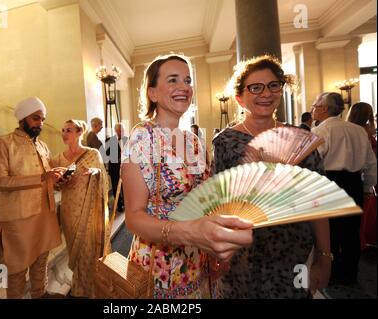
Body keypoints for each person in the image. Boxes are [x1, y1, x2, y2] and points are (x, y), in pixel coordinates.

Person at [121, 53, 253, 299]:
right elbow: (134, 218)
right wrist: (187, 232)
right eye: (173, 80)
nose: (183, 87)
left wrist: (214, 248)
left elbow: (205, 199)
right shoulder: (142, 138)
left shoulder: (193, 141)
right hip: (158, 265)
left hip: (197, 257)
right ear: (152, 93)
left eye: (188, 80)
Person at [212, 55, 331, 298]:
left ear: (280, 90)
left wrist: (324, 256)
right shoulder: (225, 142)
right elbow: (219, 204)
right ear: (240, 97)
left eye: (273, 85)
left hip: (292, 252)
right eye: (255, 87)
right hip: (244, 256)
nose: (265, 93)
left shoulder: (300, 137)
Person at [0, 97, 64, 299]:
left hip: (45, 213)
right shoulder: (3, 144)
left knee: (41, 258)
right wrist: (41, 177)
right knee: (17, 267)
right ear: (22, 118)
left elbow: (46, 178)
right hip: (18, 217)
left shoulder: (42, 146)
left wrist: (58, 179)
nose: (40, 124)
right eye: (36, 118)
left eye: (43, 119)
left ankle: (40, 294)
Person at [312, 94, 377, 284]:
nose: (313, 108)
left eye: (315, 105)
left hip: (329, 182)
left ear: (324, 109)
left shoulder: (321, 131)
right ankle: (349, 274)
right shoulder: (358, 131)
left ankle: (331, 274)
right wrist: (366, 187)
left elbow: (314, 163)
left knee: (329, 231)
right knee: (351, 232)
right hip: (354, 183)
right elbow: (371, 163)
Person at [51, 119, 110, 298]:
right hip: (69, 210)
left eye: (68, 130)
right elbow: (55, 186)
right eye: (62, 130)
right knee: (75, 250)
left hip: (90, 210)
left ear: (79, 132)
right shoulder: (58, 158)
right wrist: (59, 181)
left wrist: (97, 174)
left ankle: (95, 288)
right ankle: (80, 287)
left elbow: (104, 179)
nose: (64, 133)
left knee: (90, 250)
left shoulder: (92, 154)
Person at [347, 102, 377, 250]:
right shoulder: (364, 131)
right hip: (362, 174)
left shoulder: (347, 129)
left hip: (351, 174)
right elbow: (371, 160)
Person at [105, 123, 128, 212]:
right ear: (115, 131)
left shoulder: (128, 140)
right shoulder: (110, 140)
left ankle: (126, 203)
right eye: (119, 130)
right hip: (114, 168)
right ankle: (119, 205)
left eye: (122, 130)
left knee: (125, 187)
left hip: (126, 169)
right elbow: (106, 154)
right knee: (115, 187)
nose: (121, 132)